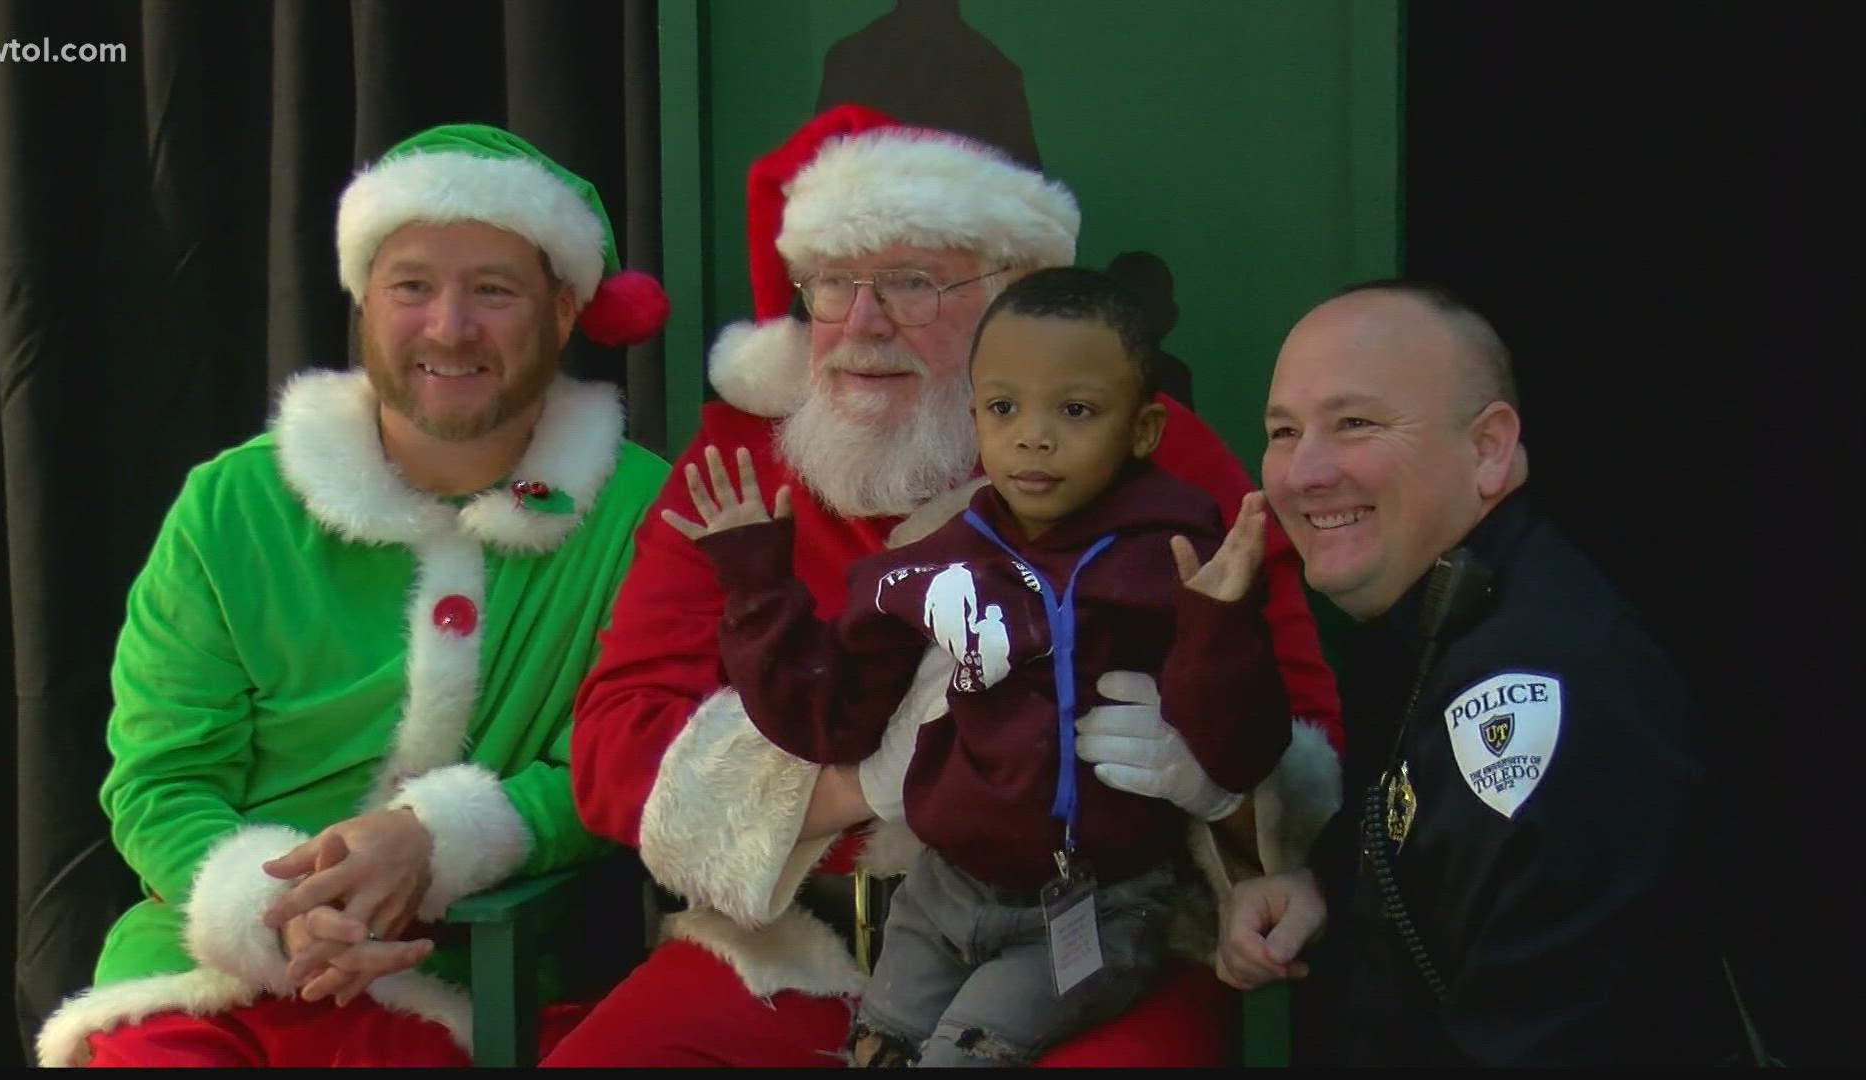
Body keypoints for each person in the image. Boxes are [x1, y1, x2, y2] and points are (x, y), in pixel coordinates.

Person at [551, 103, 1344, 1068]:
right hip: (792, 954)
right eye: (833, 285)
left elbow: (1302, 730)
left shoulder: (1153, 449)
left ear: (1017, 295)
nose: (861, 325)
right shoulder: (738, 468)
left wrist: (1204, 758)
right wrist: (865, 776)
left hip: (1081, 954)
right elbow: (611, 748)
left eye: (912, 285)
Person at [33, 123, 672, 1067]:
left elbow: (629, 755)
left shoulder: (640, 514)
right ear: (365, 300)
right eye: (412, 285)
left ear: (565, 308)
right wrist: (276, 910)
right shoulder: (232, 505)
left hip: (473, 991)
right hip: (209, 982)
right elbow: (163, 778)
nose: (448, 327)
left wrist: (435, 841)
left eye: (492, 290)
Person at [666, 267, 1295, 1066]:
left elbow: (1241, 751)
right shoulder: (935, 563)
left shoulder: (1176, 554)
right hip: (943, 891)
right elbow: (830, 718)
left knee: (965, 1054)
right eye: (1004, 408)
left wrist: (1217, 629)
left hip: (1097, 905)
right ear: (975, 419)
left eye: (1075, 410)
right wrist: (759, 588)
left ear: (1142, 432)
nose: (1034, 436)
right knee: (878, 1050)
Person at [1215, 280, 1740, 1065]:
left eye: (1354, 423)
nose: (1304, 473)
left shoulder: (1545, 689)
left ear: (1489, 448)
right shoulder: (1423, 610)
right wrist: (1326, 883)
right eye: (1284, 431)